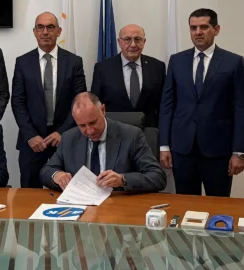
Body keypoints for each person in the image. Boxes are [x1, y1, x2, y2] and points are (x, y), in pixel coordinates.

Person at [159, 8, 244, 197]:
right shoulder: (177, 61)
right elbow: (167, 105)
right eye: (193, 28)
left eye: (204, 27)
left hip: (218, 150)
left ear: (216, 30)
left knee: (219, 205)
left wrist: (239, 152)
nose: (198, 32)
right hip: (182, 149)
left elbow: (241, 109)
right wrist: (164, 146)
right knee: (186, 205)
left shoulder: (233, 62)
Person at [11, 12, 86, 188]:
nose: (45, 32)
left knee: (67, 191)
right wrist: (31, 136)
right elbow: (18, 102)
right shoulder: (22, 62)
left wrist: (63, 133)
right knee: (29, 194)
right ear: (34, 32)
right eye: (40, 27)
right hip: (32, 142)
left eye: (50, 27)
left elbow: (79, 102)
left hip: (65, 140)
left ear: (59, 31)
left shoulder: (74, 62)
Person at [40, 92, 166, 192]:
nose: (90, 131)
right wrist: (56, 175)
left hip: (118, 206)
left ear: (103, 110)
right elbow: (46, 171)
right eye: (82, 126)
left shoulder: (131, 135)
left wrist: (123, 180)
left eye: (93, 122)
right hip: (80, 205)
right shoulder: (69, 138)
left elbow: (158, 177)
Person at [91, 24, 166, 128]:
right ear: (119, 42)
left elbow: (163, 104)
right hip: (115, 131)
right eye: (127, 39)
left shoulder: (157, 67)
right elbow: (96, 104)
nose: (133, 44)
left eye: (138, 39)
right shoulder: (103, 68)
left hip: (148, 132)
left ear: (144, 42)